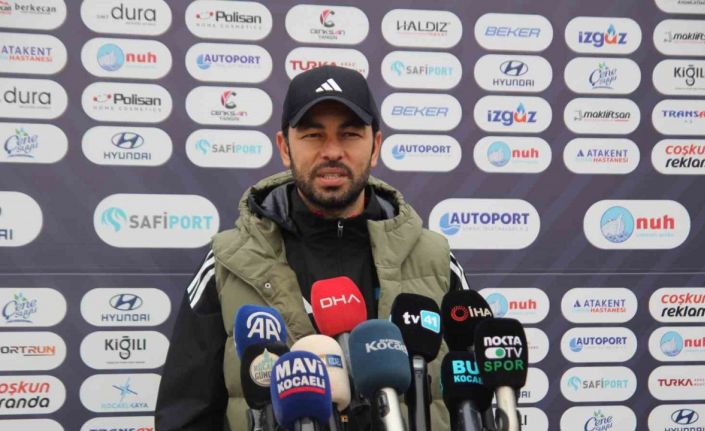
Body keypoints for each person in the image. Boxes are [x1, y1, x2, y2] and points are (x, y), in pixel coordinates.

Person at [155, 65, 470, 431]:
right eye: (313, 135)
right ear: (284, 147)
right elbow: (184, 416)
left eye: (350, 134)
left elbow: (475, 400)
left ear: (375, 146)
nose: (332, 151)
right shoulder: (228, 263)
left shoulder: (435, 259)